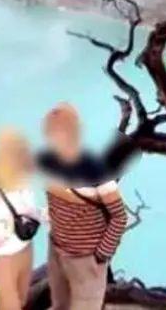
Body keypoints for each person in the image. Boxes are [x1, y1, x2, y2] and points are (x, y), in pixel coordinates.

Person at [38, 102, 129, 310]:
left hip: (86, 259)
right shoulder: (50, 164)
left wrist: (101, 255)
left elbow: (119, 216)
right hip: (57, 252)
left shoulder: (96, 170)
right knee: (59, 305)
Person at [0, 127, 44, 309]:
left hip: (26, 249)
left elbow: (30, 213)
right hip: (3, 258)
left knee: (21, 301)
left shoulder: (22, 181)